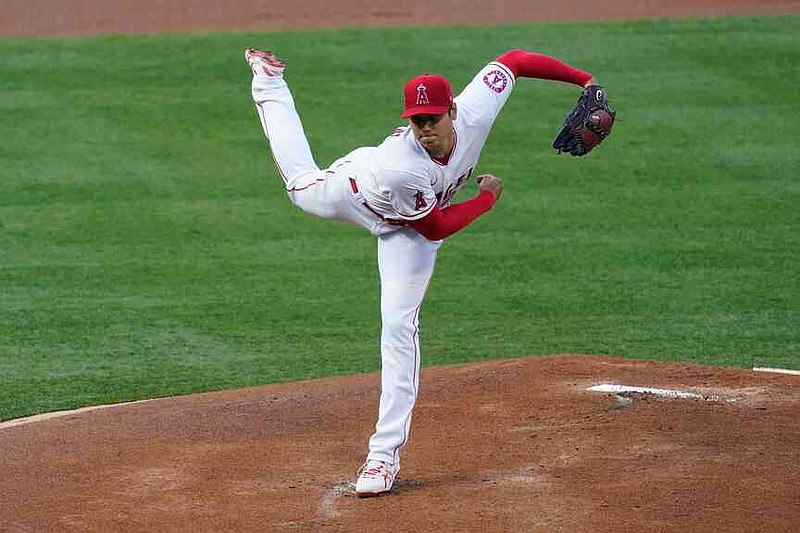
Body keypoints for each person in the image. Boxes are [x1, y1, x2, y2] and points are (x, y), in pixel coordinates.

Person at [245, 46, 599, 497]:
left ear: (452, 111)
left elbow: (514, 61)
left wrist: (585, 80)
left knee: (398, 327)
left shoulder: (474, 112)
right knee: (299, 185)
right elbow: (435, 227)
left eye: (433, 118)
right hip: (358, 192)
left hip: (406, 234)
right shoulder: (401, 167)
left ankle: (381, 459)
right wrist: (487, 199)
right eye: (418, 120)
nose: (426, 128)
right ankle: (269, 81)